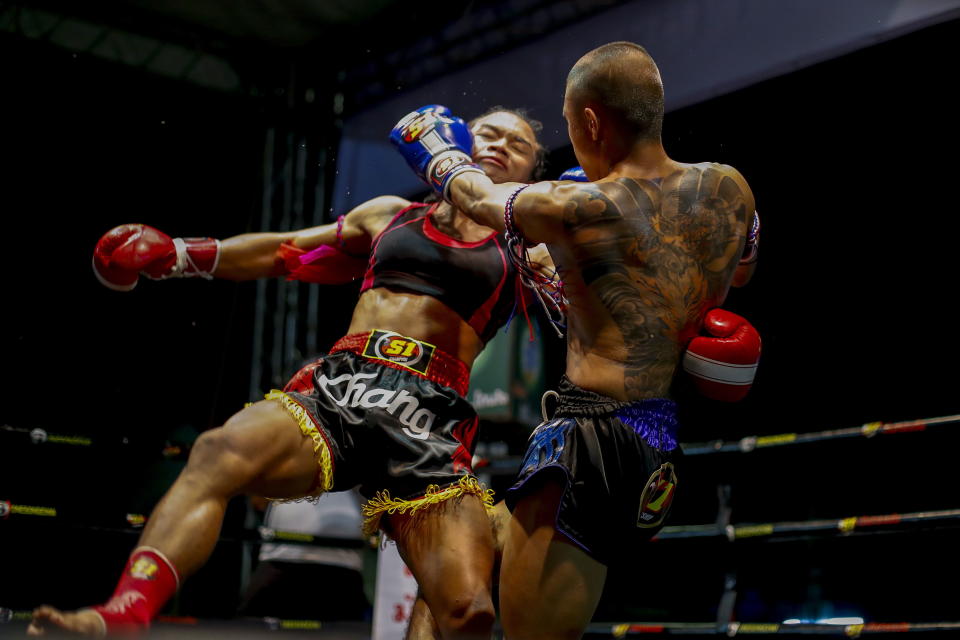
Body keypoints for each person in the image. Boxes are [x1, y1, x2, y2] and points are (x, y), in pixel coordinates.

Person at [27, 107, 548, 639]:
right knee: (217, 451)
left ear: (532, 172)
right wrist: (179, 254)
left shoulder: (530, 246)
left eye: (520, 144)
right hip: (345, 385)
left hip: (429, 416)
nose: (502, 144)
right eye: (491, 132)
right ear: (460, 138)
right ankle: (127, 613)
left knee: (467, 610)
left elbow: (596, 300)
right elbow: (287, 250)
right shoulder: (389, 215)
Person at [391, 42, 761, 639]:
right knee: (463, 572)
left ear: (590, 121)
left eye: (569, 125)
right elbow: (738, 270)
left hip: (587, 443)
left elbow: (481, 200)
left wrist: (439, 153)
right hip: (658, 441)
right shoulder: (729, 192)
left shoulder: (577, 206)